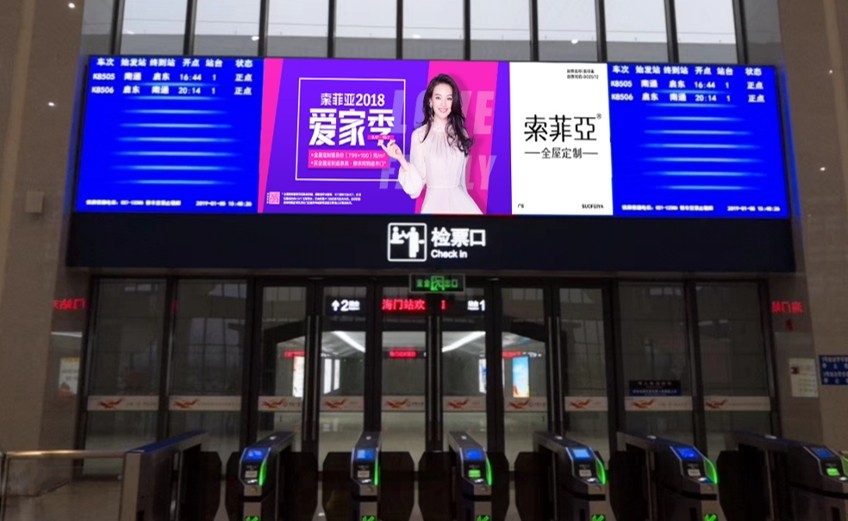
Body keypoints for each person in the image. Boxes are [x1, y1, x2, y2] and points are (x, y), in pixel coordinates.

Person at [379, 73, 482, 214]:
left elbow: (462, 181)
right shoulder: (419, 136)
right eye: (438, 98)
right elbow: (416, 187)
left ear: (454, 102)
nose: (443, 104)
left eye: (449, 98)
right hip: (434, 205)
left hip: (462, 205)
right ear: (430, 101)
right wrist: (401, 159)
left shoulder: (461, 133)